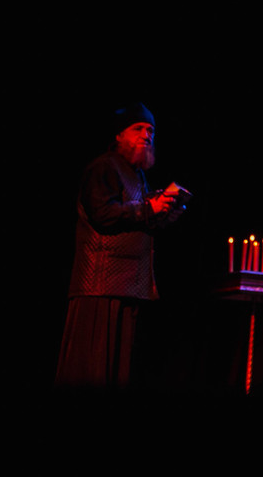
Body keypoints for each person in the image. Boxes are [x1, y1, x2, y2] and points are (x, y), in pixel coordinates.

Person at [55, 103, 185, 388]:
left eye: (151, 130)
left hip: (126, 284)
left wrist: (164, 212)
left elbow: (136, 217)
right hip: (99, 285)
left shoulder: (136, 174)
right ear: (119, 135)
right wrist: (149, 208)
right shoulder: (104, 166)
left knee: (117, 369)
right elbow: (103, 213)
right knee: (91, 366)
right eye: (138, 128)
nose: (147, 135)